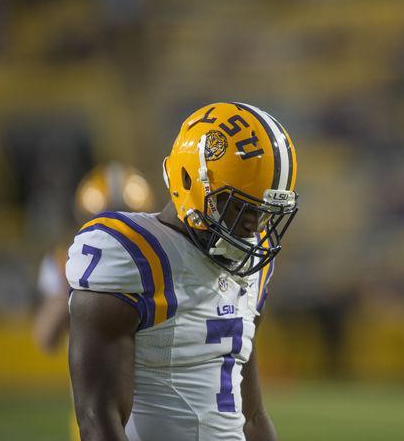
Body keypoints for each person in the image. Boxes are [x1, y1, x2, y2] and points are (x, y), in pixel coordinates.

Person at [66, 102, 298, 440]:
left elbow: (252, 414)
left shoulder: (252, 268)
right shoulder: (132, 255)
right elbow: (97, 418)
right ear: (190, 181)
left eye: (264, 213)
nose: (253, 227)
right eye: (239, 207)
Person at [34, 162, 155, 441]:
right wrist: (71, 286)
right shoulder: (66, 263)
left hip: (157, 413)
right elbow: (45, 338)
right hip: (98, 412)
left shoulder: (161, 260)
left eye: (126, 218)